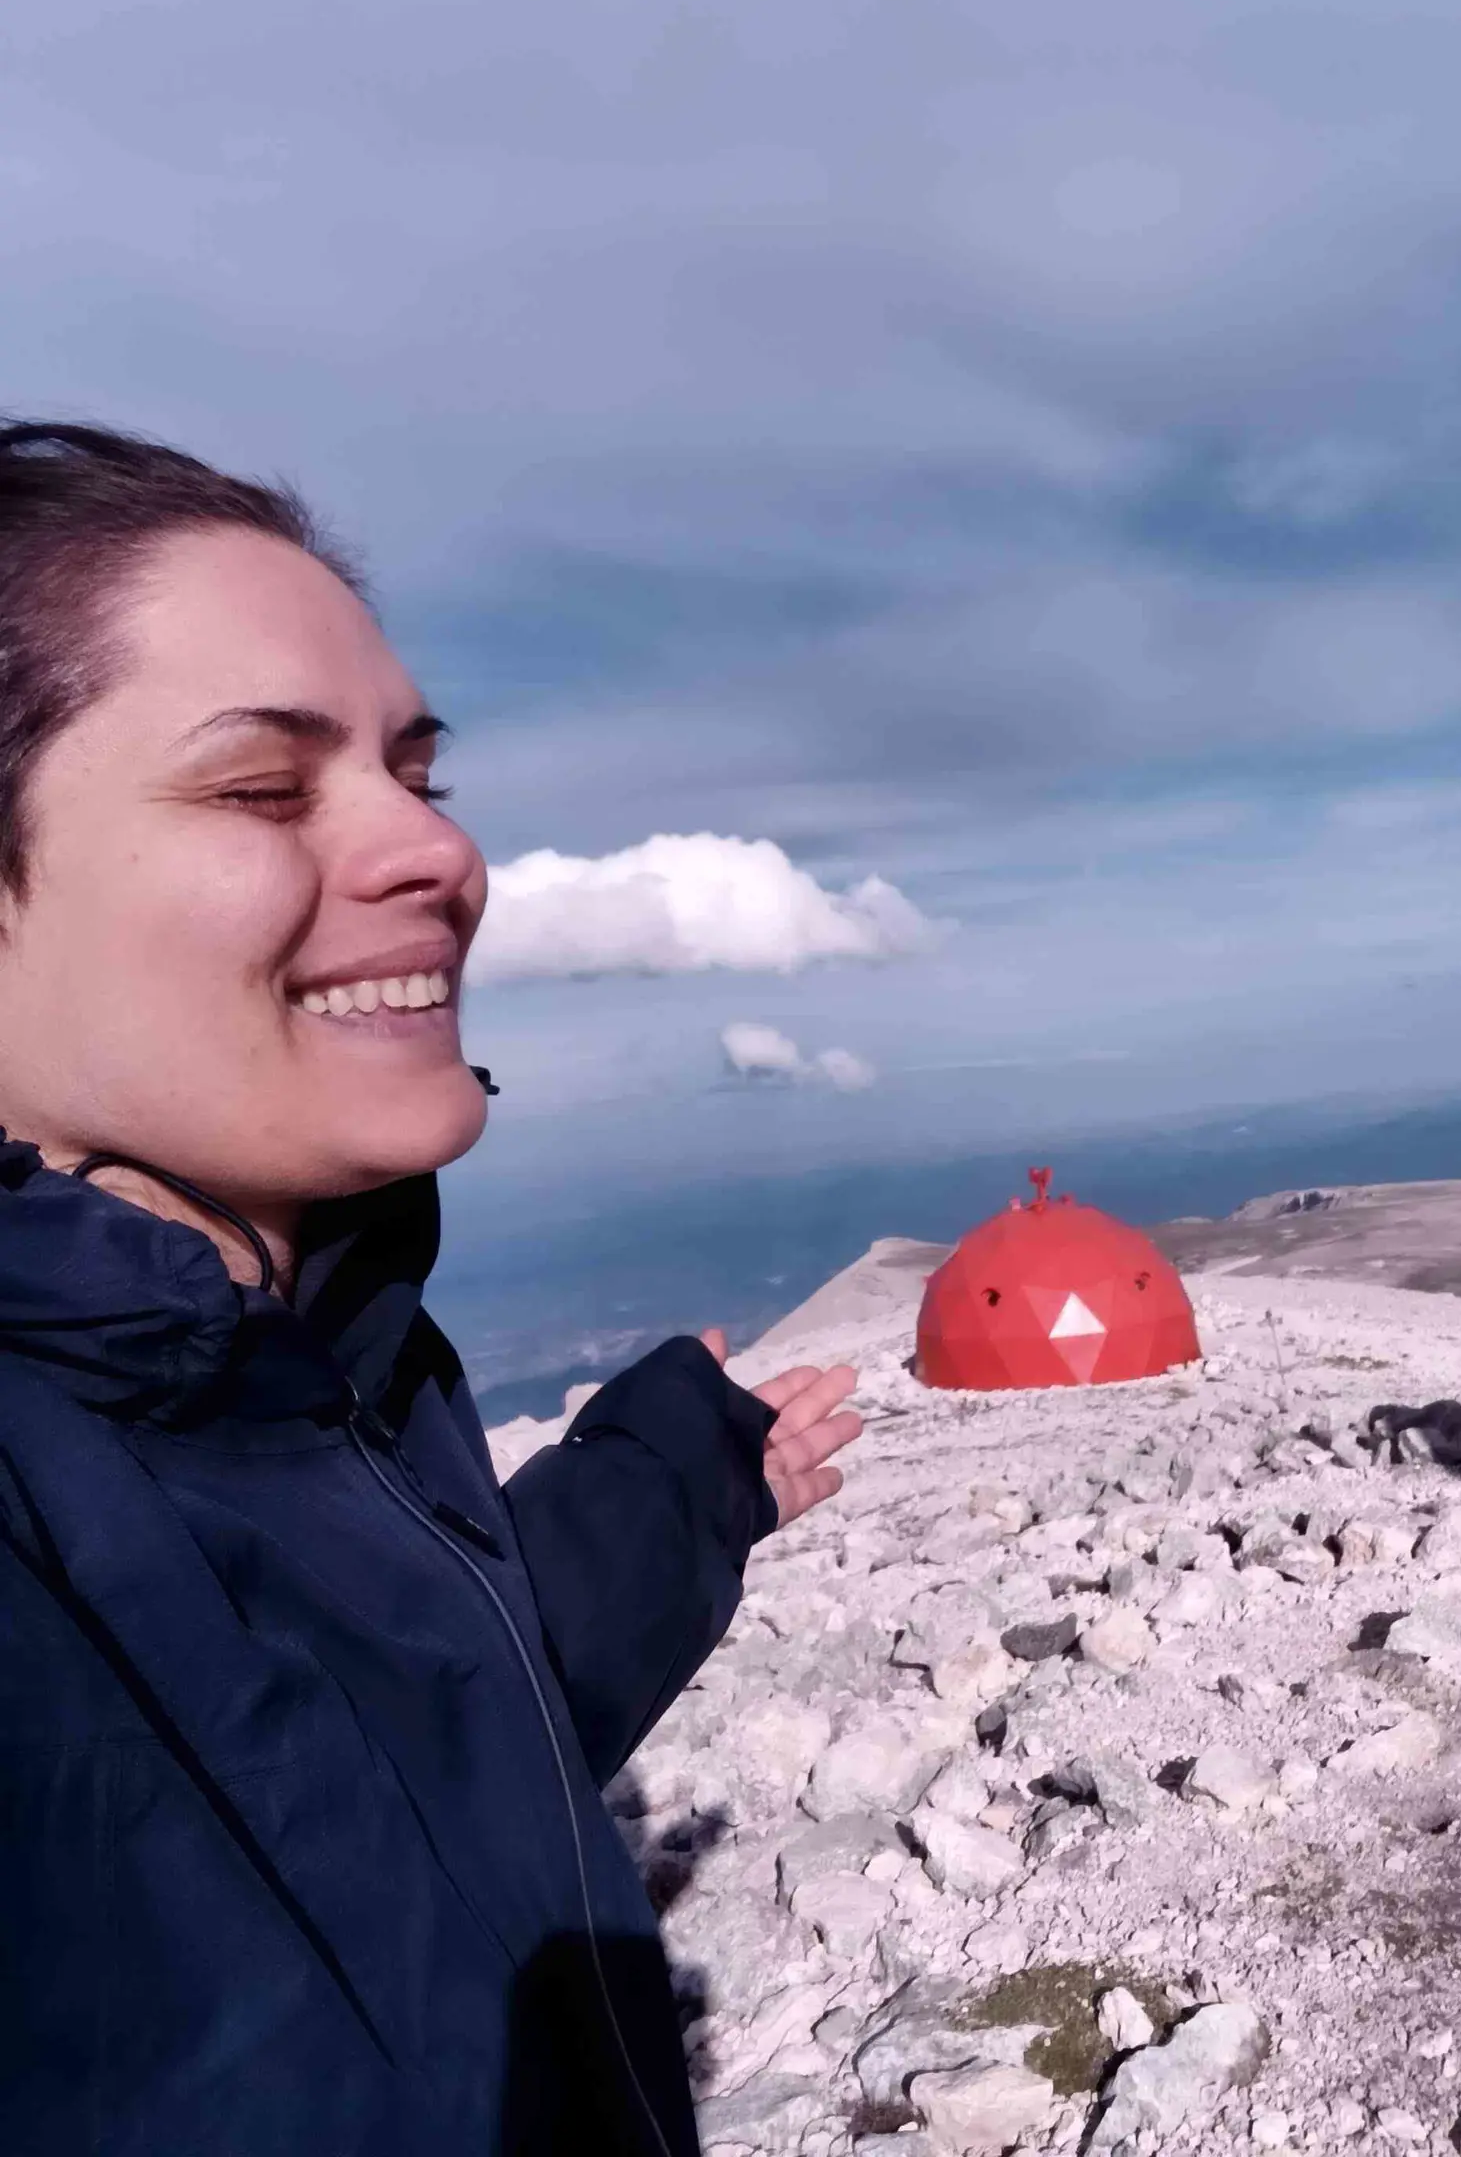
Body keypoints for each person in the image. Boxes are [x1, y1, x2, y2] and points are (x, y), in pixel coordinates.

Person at [0, 419, 862, 2155]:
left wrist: (673, 1487)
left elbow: (362, 1783)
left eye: (420, 778)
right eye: (264, 788)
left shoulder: (303, 1356)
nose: (440, 859)